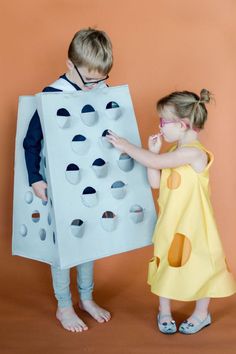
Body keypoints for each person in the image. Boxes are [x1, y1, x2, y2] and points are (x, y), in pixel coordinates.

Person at [107, 89, 236, 334]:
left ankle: (201, 313)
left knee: (202, 265)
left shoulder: (194, 153)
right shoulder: (171, 153)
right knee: (166, 261)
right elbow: (155, 182)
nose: (160, 126)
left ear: (182, 124)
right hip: (171, 221)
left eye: (163, 121)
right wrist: (153, 154)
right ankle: (164, 311)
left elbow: (155, 164)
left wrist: (127, 146)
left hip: (195, 224)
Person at [23, 28, 113, 332]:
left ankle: (86, 298)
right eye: (90, 79)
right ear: (69, 65)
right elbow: (30, 142)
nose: (95, 86)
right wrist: (35, 178)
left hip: (89, 183)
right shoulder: (51, 96)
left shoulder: (100, 90)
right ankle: (64, 305)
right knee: (63, 248)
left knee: (87, 240)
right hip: (59, 185)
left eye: (101, 79)